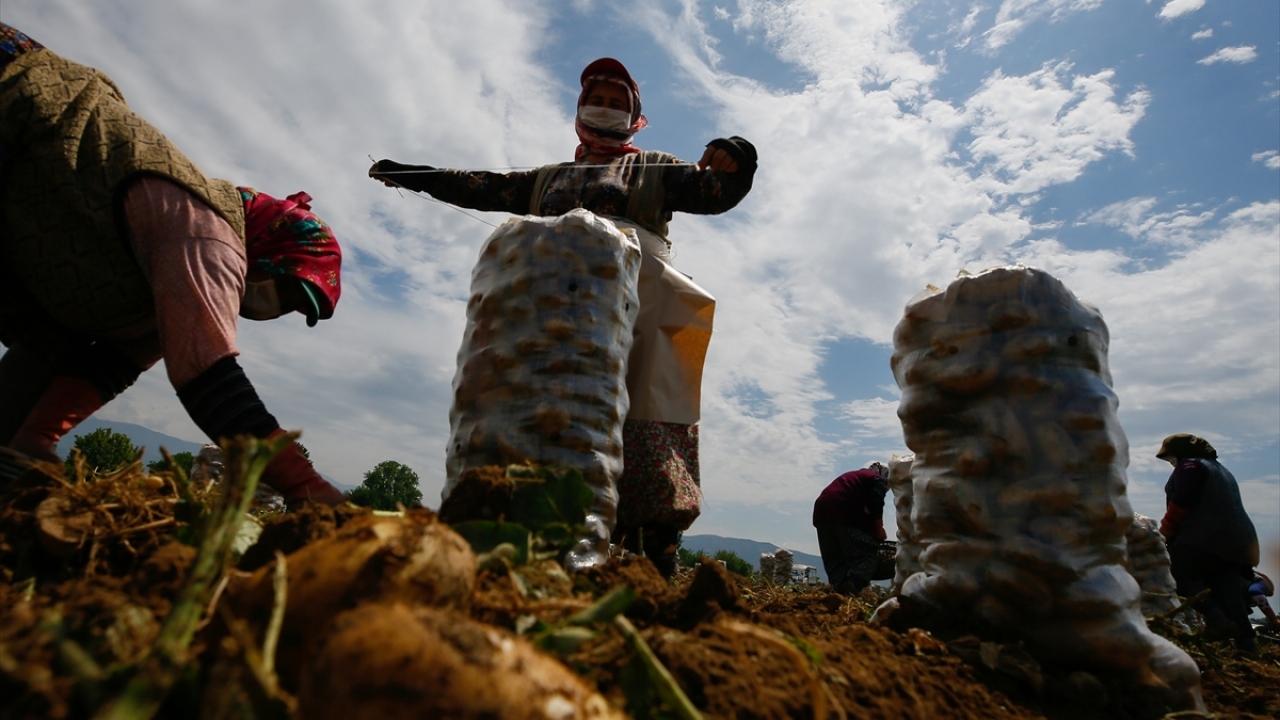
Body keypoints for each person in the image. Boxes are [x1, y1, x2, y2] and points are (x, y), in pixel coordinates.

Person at [369, 57, 756, 575]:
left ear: (635, 115)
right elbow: (483, 186)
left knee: (647, 414)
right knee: (549, 411)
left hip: (634, 306)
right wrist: (421, 177)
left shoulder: (654, 168)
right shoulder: (549, 179)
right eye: (597, 99)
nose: (606, 109)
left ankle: (656, 549)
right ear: (579, 108)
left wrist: (738, 157)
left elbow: (715, 192)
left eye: (618, 103)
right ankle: (527, 526)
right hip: (551, 313)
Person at [0, 23, 345, 507]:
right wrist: (309, 488)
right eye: (285, 291)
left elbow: (107, 365)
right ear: (265, 248)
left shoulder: (166, 294)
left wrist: (36, 438)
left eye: (290, 308)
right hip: (16, 96)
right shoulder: (211, 237)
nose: (278, 309)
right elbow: (209, 380)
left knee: (45, 366)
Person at [1156, 433, 1260, 652]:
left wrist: (1166, 528)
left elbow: (1183, 500)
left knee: (1174, 572)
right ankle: (1247, 649)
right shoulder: (1221, 471)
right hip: (1240, 543)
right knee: (1228, 594)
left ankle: (1216, 622)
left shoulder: (1190, 466)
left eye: (1172, 458)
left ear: (1182, 452)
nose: (1172, 463)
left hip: (1206, 537)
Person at [812, 463, 890, 595]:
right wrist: (879, 528)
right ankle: (851, 587)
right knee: (868, 556)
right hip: (844, 511)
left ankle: (837, 594)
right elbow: (875, 503)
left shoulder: (855, 477)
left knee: (835, 559)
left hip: (821, 512)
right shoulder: (876, 480)